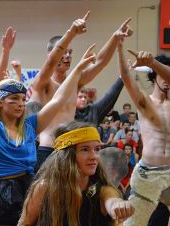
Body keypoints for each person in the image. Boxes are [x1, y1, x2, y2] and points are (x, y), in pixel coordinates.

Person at [0, 21, 96, 226]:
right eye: (14, 99)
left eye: (23, 99)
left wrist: (78, 70)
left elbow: (60, 97)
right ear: (1, 102)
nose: (21, 103)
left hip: (29, 188)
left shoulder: (31, 125)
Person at [30, 13, 133, 170]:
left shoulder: (74, 81)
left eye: (70, 53)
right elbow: (51, 61)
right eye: (64, 52)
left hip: (70, 149)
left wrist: (115, 37)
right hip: (47, 149)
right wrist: (71, 32)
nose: (67, 56)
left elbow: (100, 62)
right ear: (51, 54)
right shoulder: (42, 82)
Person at [15, 121, 134, 226]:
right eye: (85, 149)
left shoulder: (103, 190)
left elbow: (111, 200)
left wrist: (117, 204)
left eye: (97, 149)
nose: (94, 156)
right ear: (67, 155)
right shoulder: (45, 187)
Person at [117, 41, 170, 226]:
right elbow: (126, 77)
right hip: (148, 173)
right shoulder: (145, 101)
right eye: (161, 75)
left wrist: (152, 62)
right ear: (153, 77)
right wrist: (119, 44)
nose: (165, 79)